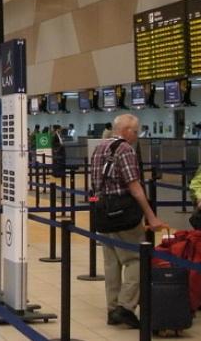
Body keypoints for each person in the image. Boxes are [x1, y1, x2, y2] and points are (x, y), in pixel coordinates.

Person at [90, 114, 167, 329]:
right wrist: (150, 216)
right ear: (125, 130)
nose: (136, 136)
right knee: (135, 259)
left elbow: (95, 186)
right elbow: (134, 187)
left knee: (111, 263)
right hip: (123, 215)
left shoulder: (99, 148)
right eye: (135, 131)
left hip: (103, 213)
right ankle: (125, 307)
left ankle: (112, 309)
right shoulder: (125, 150)